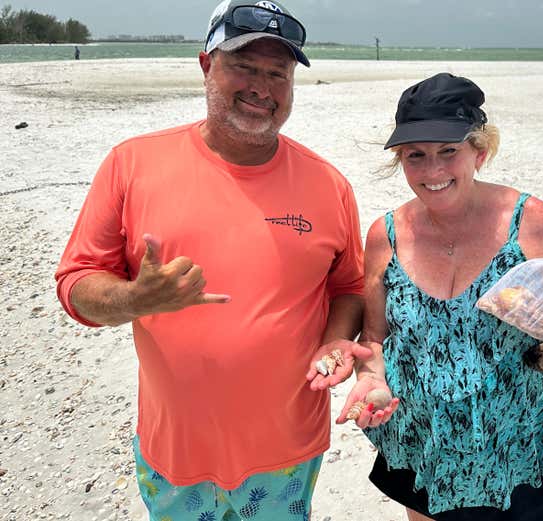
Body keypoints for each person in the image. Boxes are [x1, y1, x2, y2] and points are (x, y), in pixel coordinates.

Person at [55, 1, 376, 519]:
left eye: (278, 73)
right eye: (244, 66)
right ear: (206, 64)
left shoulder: (328, 184)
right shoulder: (132, 163)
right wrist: (134, 298)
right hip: (174, 451)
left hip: (286, 451)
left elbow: (351, 287)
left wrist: (337, 337)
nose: (261, 88)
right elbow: (76, 285)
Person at [338, 73, 543, 521]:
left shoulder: (530, 223)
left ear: (480, 152)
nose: (432, 171)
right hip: (423, 445)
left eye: (449, 152)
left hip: (516, 450)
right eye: (416, 156)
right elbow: (374, 338)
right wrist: (372, 380)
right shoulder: (384, 236)